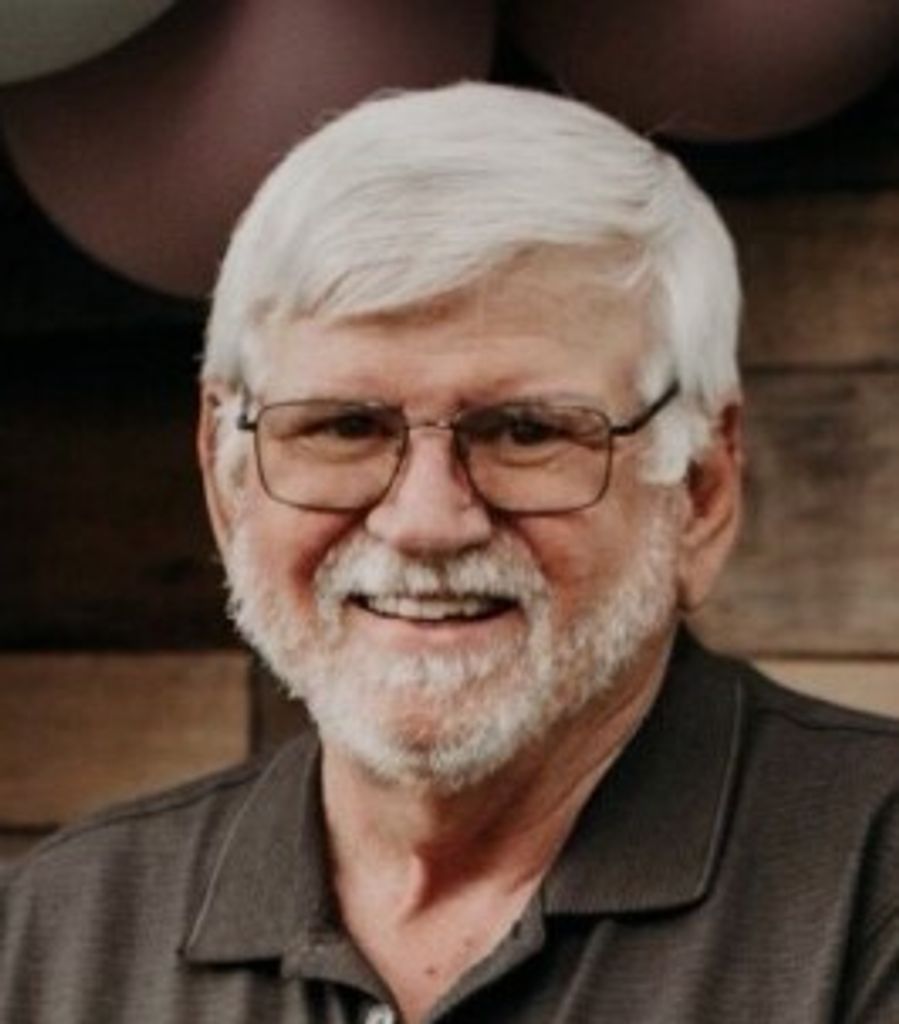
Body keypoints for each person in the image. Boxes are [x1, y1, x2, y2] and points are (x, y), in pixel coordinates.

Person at [2, 82, 897, 1024]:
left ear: (700, 492)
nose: (425, 522)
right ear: (228, 481)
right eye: (345, 426)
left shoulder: (872, 896)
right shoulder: (52, 937)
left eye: (523, 431)